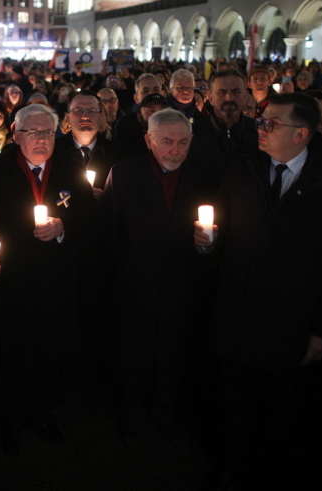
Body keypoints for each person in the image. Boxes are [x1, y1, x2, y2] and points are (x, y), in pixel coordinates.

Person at [195, 92, 322, 490]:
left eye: (271, 123)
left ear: (301, 134)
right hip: (238, 314)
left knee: (281, 411)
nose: (260, 128)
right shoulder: (242, 169)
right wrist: (206, 244)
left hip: (291, 323)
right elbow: (218, 233)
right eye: (260, 120)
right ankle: (234, 468)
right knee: (236, 404)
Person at [0, 104, 97, 456]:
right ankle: (12, 419)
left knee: (50, 351)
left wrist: (63, 227)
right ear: (16, 136)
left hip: (57, 282)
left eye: (47, 132)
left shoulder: (69, 169)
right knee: (14, 353)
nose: (41, 139)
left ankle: (41, 413)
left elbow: (91, 217)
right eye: (32, 132)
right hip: (14, 281)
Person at [103, 108, 214, 445]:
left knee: (173, 353)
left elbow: (218, 233)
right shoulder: (124, 173)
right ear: (148, 141)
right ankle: (131, 413)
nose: (175, 150)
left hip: (182, 285)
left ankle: (165, 412)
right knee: (131, 354)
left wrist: (208, 245)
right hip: (134, 285)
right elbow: (109, 234)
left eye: (183, 142)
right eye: (167, 142)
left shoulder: (205, 176)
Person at [188, 69, 257, 191]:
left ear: (245, 96)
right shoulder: (192, 134)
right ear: (210, 97)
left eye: (236, 92)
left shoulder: (259, 132)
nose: (229, 98)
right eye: (222, 92)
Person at [55, 91, 131, 190]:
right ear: (69, 117)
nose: (85, 116)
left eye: (92, 111)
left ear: (101, 116)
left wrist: (105, 196)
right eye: (78, 110)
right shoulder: (55, 152)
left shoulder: (120, 155)